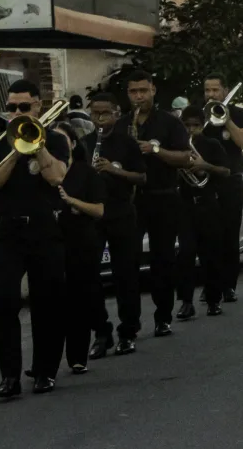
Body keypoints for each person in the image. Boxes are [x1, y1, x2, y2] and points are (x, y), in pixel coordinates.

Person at [0, 79, 70, 397]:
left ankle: (45, 372)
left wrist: (37, 143)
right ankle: (10, 376)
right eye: (11, 107)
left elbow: (57, 176)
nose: (16, 113)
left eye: (24, 107)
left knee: (47, 301)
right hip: (9, 230)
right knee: (4, 300)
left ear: (38, 106)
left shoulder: (57, 140)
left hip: (45, 228)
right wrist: (16, 151)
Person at [118, 70, 191, 338]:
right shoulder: (122, 124)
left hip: (163, 196)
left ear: (153, 91)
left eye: (143, 91)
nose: (138, 97)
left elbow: (185, 158)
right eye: (133, 92)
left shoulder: (170, 123)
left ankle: (163, 317)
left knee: (162, 260)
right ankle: (130, 322)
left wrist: (155, 150)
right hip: (131, 200)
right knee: (128, 262)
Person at [83, 93, 147, 358]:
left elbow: (141, 177)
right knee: (89, 276)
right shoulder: (84, 144)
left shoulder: (127, 143)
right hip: (93, 215)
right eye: (95, 113)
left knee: (126, 275)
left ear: (115, 114)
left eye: (105, 113)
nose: (100, 118)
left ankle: (128, 331)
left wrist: (112, 169)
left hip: (121, 212)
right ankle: (101, 331)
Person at [52, 122, 105, 375]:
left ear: (73, 143)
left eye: (62, 139)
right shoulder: (45, 170)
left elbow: (98, 210)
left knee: (79, 300)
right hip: (52, 240)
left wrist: (72, 202)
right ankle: (46, 363)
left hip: (81, 241)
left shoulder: (86, 173)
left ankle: (77, 357)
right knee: (52, 303)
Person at [175, 105, 231, 319]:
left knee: (211, 254)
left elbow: (226, 171)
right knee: (186, 253)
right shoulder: (178, 146)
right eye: (187, 126)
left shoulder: (212, 145)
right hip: (186, 204)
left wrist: (205, 166)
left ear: (203, 125)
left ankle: (213, 300)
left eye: (195, 126)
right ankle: (186, 302)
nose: (191, 130)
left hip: (208, 203)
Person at [203, 73, 243, 302]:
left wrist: (226, 119)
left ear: (224, 91)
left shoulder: (238, 113)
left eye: (215, 90)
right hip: (206, 183)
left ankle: (228, 285)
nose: (211, 95)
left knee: (230, 235)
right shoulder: (201, 115)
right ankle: (210, 284)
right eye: (207, 91)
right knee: (208, 236)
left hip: (231, 181)